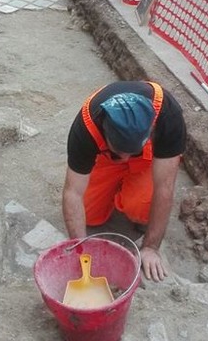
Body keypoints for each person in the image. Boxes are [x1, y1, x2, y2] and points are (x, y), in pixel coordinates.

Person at [62, 80, 186, 282]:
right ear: (105, 129)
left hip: (148, 159)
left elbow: (165, 187)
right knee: (89, 215)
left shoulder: (168, 116)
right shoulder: (86, 128)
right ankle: (117, 177)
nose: (127, 158)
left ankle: (129, 186)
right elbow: (72, 192)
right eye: (121, 150)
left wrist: (151, 247)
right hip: (105, 157)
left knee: (141, 208)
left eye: (132, 151)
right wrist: (80, 249)